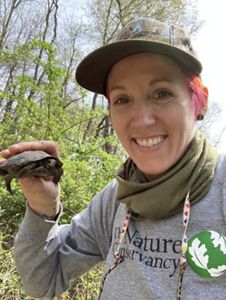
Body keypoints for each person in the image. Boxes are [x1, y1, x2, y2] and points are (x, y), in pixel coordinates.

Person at [1, 17, 226, 299]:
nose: (142, 120)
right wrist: (42, 207)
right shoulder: (116, 200)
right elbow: (42, 282)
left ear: (200, 100)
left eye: (162, 93)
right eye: (122, 99)